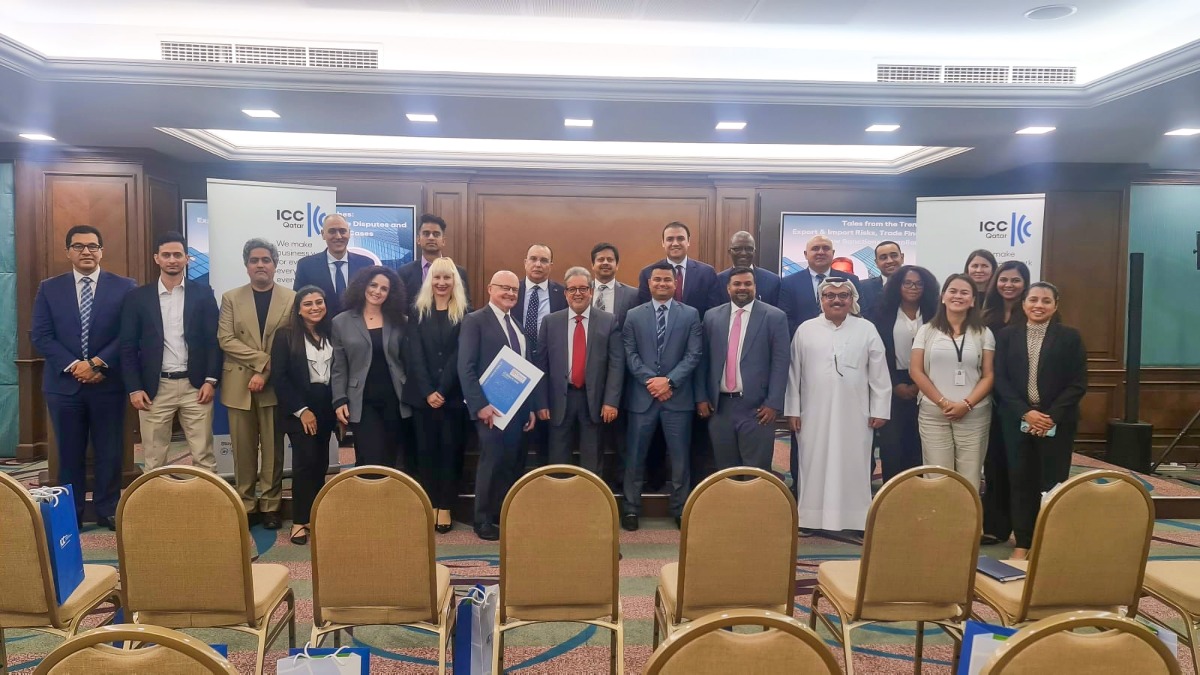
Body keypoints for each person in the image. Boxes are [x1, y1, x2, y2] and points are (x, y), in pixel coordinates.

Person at [31, 225, 136, 530]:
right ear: (68, 253)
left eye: (92, 246)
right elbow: (41, 334)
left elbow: (128, 334)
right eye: (79, 247)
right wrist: (75, 364)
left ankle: (107, 508)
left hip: (108, 383)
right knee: (68, 453)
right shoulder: (49, 288)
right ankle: (71, 514)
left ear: (102, 251)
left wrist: (97, 363)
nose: (86, 252)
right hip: (64, 386)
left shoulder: (124, 286)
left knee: (109, 450)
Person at [784, 278, 890, 535]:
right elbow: (793, 373)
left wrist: (880, 408)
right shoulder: (806, 329)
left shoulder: (866, 329)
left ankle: (855, 520)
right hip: (813, 413)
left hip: (856, 413)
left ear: (852, 300)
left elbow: (878, 373)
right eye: (830, 295)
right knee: (812, 462)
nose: (836, 300)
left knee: (854, 462)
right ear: (821, 300)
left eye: (843, 295)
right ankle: (810, 519)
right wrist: (793, 410)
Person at [993, 282, 1087, 560]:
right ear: (1023, 304)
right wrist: (1026, 412)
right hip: (1017, 420)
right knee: (1021, 482)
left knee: (1053, 483)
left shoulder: (1071, 337)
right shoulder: (1007, 336)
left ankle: (1048, 542)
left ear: (1056, 305)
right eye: (1033, 299)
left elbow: (1078, 383)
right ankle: (1023, 542)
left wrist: (1050, 416)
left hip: (1057, 421)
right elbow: (1000, 380)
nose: (1038, 305)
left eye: (1046, 301)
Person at [119, 231, 221, 473]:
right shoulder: (137, 298)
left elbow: (213, 341)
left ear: (187, 258)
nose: (172, 259)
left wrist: (211, 380)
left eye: (177, 254)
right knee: (154, 461)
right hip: (154, 389)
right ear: (157, 258)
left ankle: (208, 510)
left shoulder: (204, 294)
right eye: (166, 255)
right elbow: (127, 346)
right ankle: (157, 510)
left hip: (195, 387)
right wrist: (134, 387)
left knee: (204, 457)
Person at [218, 239, 295, 529]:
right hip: (239, 383)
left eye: (266, 260)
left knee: (274, 450)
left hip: (275, 383)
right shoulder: (230, 298)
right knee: (243, 449)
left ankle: (272, 505)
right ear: (246, 265)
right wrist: (261, 362)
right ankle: (247, 504)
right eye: (254, 260)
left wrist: (265, 373)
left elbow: (290, 342)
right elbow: (225, 339)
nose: (260, 265)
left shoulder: (291, 297)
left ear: (275, 264)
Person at [622, 262, 703, 531]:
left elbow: (694, 355)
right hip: (641, 398)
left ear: (675, 283)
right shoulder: (633, 315)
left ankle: (680, 509)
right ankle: (631, 509)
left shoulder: (690, 314)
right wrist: (651, 381)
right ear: (649, 283)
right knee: (635, 457)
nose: (662, 284)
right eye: (657, 280)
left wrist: (669, 381)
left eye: (667, 280)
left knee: (680, 460)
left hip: (677, 399)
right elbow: (630, 354)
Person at [458, 271, 539, 541]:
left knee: (510, 464)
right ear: (490, 288)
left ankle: (499, 516)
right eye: (504, 288)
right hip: (488, 411)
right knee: (490, 462)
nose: (510, 294)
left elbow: (522, 371)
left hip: (515, 411)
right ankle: (481, 519)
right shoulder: (475, 320)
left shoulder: (516, 325)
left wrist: (528, 407)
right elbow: (465, 367)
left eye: (515, 290)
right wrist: (480, 405)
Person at [696, 267, 790, 472]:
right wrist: (701, 397)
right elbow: (703, 360)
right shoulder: (711, 317)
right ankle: (729, 506)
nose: (742, 288)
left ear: (755, 287)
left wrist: (773, 403)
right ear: (728, 288)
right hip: (720, 409)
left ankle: (755, 506)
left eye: (748, 284)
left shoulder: (774, 317)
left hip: (758, 410)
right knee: (724, 470)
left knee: (756, 472)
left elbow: (781, 363)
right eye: (737, 284)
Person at [909, 273, 996, 490]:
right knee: (937, 475)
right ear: (943, 296)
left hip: (974, 413)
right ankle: (940, 522)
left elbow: (989, 375)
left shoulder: (984, 333)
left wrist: (966, 405)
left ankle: (969, 523)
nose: (958, 296)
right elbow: (916, 370)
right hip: (933, 413)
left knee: (970, 475)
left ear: (973, 300)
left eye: (965, 292)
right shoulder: (926, 331)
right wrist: (943, 402)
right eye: (953, 291)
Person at [534, 267, 624, 473]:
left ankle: (592, 503)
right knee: (558, 460)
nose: (578, 293)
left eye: (583, 288)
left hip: (593, 401)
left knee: (592, 460)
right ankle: (560, 503)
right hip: (559, 400)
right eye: (572, 289)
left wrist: (611, 401)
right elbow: (542, 365)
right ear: (565, 293)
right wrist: (542, 402)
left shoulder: (608, 321)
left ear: (591, 291)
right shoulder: (550, 322)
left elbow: (616, 364)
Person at [403, 257, 469, 534]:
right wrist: (429, 390)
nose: (442, 283)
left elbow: (460, 356)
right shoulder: (417, 311)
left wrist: (441, 390)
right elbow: (413, 355)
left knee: (450, 453)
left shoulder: (466, 312)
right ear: (430, 281)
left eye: (447, 278)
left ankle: (446, 506)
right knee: (425, 453)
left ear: (455, 281)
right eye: (437, 278)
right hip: (422, 397)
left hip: (452, 398)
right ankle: (430, 504)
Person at [271, 286, 336, 546]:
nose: (314, 307)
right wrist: (302, 411)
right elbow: (280, 378)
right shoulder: (285, 336)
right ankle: (299, 521)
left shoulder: (331, 332)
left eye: (319, 302)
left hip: (326, 408)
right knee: (304, 464)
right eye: (308, 304)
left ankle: (315, 517)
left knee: (321, 464)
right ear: (298, 309)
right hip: (299, 410)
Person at [331, 266, 412, 469]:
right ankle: (369, 499)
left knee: (392, 458)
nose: (377, 291)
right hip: (362, 400)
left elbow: (408, 361)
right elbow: (339, 366)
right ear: (363, 286)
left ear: (390, 293)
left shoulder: (401, 321)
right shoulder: (341, 322)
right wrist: (339, 399)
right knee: (371, 456)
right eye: (373, 285)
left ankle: (388, 500)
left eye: (384, 288)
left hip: (395, 399)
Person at [869, 265, 939, 484]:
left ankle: (919, 494)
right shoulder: (881, 313)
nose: (913, 287)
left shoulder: (935, 314)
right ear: (897, 286)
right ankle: (892, 495)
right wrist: (895, 384)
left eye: (919, 284)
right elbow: (877, 354)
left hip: (929, 385)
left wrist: (920, 383)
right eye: (907, 283)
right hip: (891, 384)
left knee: (921, 444)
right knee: (892, 446)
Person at [979, 260, 1030, 546]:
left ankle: (1025, 527)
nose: (1008, 285)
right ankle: (996, 526)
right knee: (994, 464)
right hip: (991, 399)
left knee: (1020, 467)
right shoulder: (986, 316)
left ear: (1025, 284)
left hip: (1024, 401)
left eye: (1016, 280)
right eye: (1004, 280)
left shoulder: (1033, 313)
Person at [779, 235, 861, 337]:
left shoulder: (851, 280)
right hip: (805, 343)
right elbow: (785, 318)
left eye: (826, 248)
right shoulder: (789, 283)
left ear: (833, 253)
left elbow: (858, 314)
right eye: (815, 248)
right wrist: (809, 336)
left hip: (845, 341)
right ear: (805, 254)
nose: (821, 252)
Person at [292, 214, 373, 317]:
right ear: (323, 234)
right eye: (332, 231)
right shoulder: (306, 266)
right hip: (321, 330)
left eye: (342, 231)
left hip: (358, 329)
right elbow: (299, 302)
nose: (338, 236)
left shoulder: (366, 264)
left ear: (349, 233)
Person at [637, 222, 719, 318]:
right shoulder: (648, 273)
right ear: (663, 243)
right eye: (670, 239)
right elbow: (643, 311)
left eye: (680, 238)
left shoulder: (707, 273)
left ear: (688, 241)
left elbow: (712, 312)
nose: (675, 243)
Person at [397, 213, 472, 309]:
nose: (431, 237)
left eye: (436, 234)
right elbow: (400, 307)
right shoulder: (404, 272)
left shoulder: (459, 272)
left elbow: (466, 306)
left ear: (443, 241)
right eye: (426, 233)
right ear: (418, 239)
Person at [713, 231, 781, 307]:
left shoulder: (772, 281)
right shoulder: (718, 281)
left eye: (749, 249)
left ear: (754, 252)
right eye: (737, 249)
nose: (743, 253)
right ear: (729, 252)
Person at [590, 242, 639, 326]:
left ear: (617, 265)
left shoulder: (632, 294)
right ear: (592, 265)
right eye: (601, 259)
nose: (605, 263)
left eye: (610, 260)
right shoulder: (582, 291)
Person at [858, 240, 905, 319]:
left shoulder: (916, 286)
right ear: (876, 263)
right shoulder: (862, 287)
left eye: (894, 256)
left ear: (902, 257)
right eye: (883, 258)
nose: (889, 261)